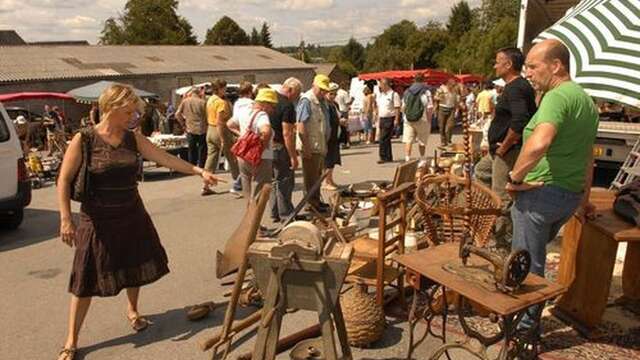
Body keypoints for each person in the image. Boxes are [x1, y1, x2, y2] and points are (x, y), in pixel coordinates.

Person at [55, 84, 219, 360]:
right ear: (111, 108)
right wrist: (65, 219)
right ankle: (71, 339)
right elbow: (64, 179)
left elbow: (164, 158)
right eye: (129, 111)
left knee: (133, 263)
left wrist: (198, 170)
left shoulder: (133, 139)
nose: (134, 117)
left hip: (131, 214)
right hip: (96, 220)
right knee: (85, 278)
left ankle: (132, 310)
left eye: (135, 111)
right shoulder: (84, 139)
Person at [506, 39, 598, 335]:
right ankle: (526, 322)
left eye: (533, 66)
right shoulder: (586, 101)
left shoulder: (557, 97)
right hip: (566, 197)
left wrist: (514, 178)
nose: (528, 73)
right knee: (534, 257)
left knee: (527, 265)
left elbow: (539, 143)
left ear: (556, 65)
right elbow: (587, 159)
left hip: (540, 195)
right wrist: (582, 201)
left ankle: (525, 331)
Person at [474, 47, 537, 250]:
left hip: (506, 152)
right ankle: (492, 223)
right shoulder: (515, 86)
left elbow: (520, 120)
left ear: (508, 64)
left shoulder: (516, 87)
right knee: (480, 171)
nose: (494, 65)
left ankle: (502, 242)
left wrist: (505, 147)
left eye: (497, 61)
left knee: (500, 197)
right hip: (498, 151)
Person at [227, 88, 276, 201]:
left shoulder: (244, 111)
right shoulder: (262, 115)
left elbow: (229, 124)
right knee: (261, 189)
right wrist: (262, 148)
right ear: (265, 104)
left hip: (244, 153)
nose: (273, 109)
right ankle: (256, 214)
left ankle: (249, 211)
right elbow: (266, 131)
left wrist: (242, 135)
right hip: (261, 155)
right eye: (272, 105)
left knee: (246, 186)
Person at [268, 77, 302, 222]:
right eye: (297, 94)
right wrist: (293, 156)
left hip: (267, 145)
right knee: (285, 180)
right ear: (291, 90)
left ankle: (274, 211)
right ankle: (286, 213)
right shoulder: (286, 105)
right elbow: (287, 133)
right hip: (280, 146)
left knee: (273, 179)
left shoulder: (270, 100)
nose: (297, 97)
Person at [297, 74, 331, 211]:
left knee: (317, 177)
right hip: (311, 145)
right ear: (313, 85)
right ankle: (311, 204)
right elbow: (301, 125)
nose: (323, 92)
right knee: (310, 178)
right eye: (321, 89)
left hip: (319, 144)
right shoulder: (307, 100)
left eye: (325, 90)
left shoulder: (322, 100)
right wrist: (306, 147)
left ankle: (316, 201)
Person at [204, 79, 239, 196]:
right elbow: (220, 121)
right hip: (220, 130)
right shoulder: (220, 102)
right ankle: (239, 183)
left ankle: (206, 185)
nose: (225, 90)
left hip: (210, 129)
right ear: (219, 89)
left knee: (211, 158)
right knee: (232, 157)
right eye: (224, 88)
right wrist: (223, 138)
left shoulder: (210, 100)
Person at [401, 74, 433, 164]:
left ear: (414, 80)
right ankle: (422, 158)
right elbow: (429, 107)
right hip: (422, 119)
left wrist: (405, 115)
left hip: (408, 120)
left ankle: (407, 158)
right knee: (422, 140)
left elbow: (403, 107)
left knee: (408, 140)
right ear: (423, 80)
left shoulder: (407, 91)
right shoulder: (426, 92)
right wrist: (429, 120)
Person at [176, 87, 207, 168]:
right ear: (198, 93)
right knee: (202, 148)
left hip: (189, 128)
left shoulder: (185, 101)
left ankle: (192, 166)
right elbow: (207, 115)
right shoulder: (203, 102)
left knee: (192, 148)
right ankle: (201, 166)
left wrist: (183, 124)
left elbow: (177, 114)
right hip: (202, 128)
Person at [374, 78, 400, 164]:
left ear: (386, 85)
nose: (380, 86)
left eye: (381, 85)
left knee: (382, 138)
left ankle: (382, 156)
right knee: (386, 139)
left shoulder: (394, 94)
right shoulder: (381, 95)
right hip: (382, 118)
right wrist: (376, 116)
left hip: (390, 118)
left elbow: (397, 108)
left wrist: (396, 119)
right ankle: (388, 156)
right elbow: (378, 106)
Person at [324, 83, 342, 190]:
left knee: (333, 159)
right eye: (331, 94)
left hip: (335, 134)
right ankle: (326, 181)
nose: (333, 96)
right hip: (329, 135)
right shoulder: (325, 105)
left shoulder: (334, 104)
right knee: (328, 160)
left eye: (335, 94)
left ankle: (330, 179)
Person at [434, 78, 460, 147]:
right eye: (452, 85)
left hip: (451, 109)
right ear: (448, 85)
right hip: (442, 108)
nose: (453, 87)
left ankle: (448, 140)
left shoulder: (455, 91)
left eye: (454, 86)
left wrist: (457, 110)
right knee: (441, 126)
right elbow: (435, 97)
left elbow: (456, 101)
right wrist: (440, 98)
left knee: (450, 126)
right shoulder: (441, 89)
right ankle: (443, 141)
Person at [334, 82, 352, 148]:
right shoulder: (344, 93)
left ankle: (341, 141)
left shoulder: (337, 93)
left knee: (340, 127)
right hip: (344, 110)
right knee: (345, 127)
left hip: (338, 110)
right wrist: (352, 100)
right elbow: (347, 102)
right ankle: (346, 141)